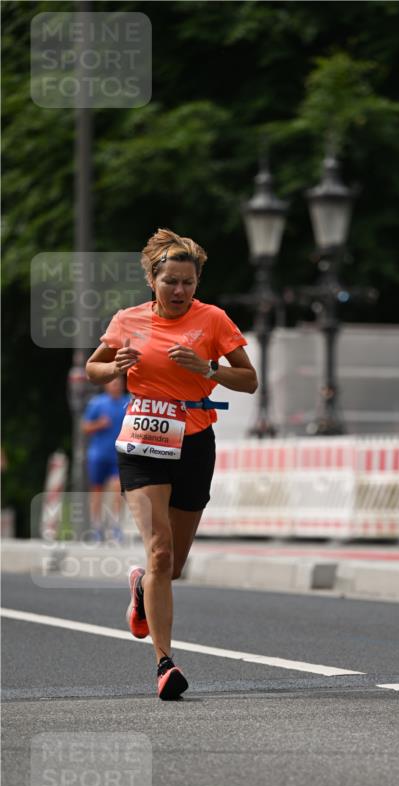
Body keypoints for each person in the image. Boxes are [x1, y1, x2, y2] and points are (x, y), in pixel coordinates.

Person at [85, 229, 257, 699]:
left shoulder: (214, 320)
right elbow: (93, 368)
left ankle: (141, 589)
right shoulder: (128, 320)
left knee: (172, 566)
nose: (180, 291)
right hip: (141, 439)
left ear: (197, 282)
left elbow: (249, 381)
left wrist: (208, 370)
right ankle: (165, 663)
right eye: (171, 282)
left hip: (195, 442)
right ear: (152, 281)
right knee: (159, 550)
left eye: (188, 282)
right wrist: (115, 367)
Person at [82, 376, 130, 540]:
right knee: (97, 490)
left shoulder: (128, 402)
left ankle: (115, 525)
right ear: (107, 385)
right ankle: (96, 527)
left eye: (119, 383)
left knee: (118, 488)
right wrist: (99, 424)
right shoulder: (97, 403)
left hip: (118, 454)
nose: (117, 386)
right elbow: (85, 427)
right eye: (113, 383)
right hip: (98, 454)